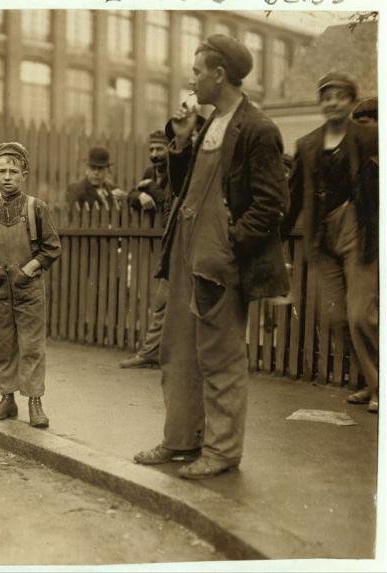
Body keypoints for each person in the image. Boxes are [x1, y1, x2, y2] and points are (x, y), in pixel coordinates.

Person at [134, 35, 290, 479]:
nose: (192, 78)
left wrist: (230, 246)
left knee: (220, 356)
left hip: (219, 260)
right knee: (178, 350)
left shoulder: (258, 129)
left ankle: (222, 451)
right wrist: (181, 143)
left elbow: (271, 205)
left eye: (198, 70)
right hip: (187, 252)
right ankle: (181, 440)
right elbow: (185, 187)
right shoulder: (209, 123)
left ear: (219, 75)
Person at [283, 72, 378, 413]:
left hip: (358, 229)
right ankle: (372, 382)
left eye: (340, 96)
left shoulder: (371, 136)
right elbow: (293, 197)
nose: (332, 102)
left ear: (352, 102)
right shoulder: (307, 144)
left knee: (360, 315)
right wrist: (277, 240)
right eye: (326, 97)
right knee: (337, 316)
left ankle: (379, 385)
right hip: (321, 237)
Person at [0, 142, 62, 428]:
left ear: (24, 174)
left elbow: (52, 248)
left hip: (29, 287)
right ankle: (7, 399)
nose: (8, 176)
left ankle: (34, 401)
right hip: (0, 287)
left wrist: (28, 269)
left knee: (32, 345)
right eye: (2, 171)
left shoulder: (37, 208)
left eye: (14, 171)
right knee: (4, 345)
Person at [120, 130, 172, 369]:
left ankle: (154, 351)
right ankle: (152, 350)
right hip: (152, 246)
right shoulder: (150, 173)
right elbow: (131, 193)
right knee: (157, 296)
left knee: (166, 298)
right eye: (151, 150)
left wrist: (151, 188)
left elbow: (170, 207)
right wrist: (139, 194)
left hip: (173, 241)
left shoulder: (177, 173)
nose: (154, 155)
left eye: (159, 149)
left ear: (170, 149)